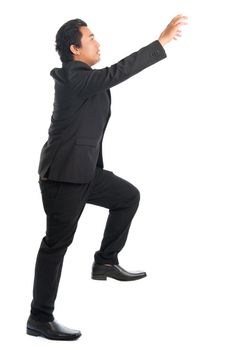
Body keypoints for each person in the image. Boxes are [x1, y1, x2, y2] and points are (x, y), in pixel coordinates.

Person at [26, 14, 188, 341]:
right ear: (74, 48)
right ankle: (39, 319)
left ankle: (105, 262)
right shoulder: (74, 76)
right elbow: (117, 73)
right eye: (91, 38)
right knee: (56, 245)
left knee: (127, 197)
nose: (98, 42)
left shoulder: (84, 77)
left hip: (84, 173)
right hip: (63, 178)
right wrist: (161, 42)